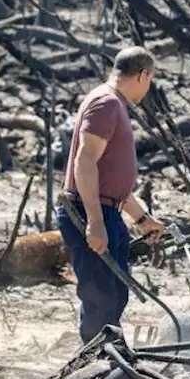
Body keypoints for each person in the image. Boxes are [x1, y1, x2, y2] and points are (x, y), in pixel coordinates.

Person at [58, 46, 164, 344]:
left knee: (115, 294)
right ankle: (96, 366)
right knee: (101, 297)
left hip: (107, 210)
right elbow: (85, 161)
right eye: (150, 80)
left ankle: (110, 359)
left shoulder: (112, 103)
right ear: (143, 75)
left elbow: (110, 181)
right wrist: (94, 221)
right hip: (88, 211)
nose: (148, 88)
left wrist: (142, 219)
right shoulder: (106, 103)